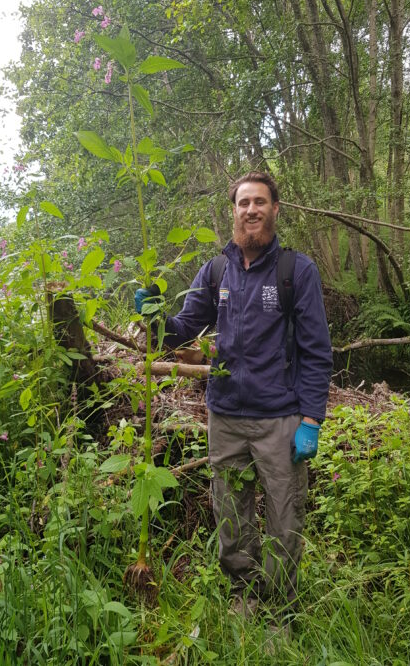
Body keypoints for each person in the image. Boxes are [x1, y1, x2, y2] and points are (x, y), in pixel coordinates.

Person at [135, 171, 332, 627]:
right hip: (224, 417)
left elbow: (317, 351)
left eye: (260, 202)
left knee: (284, 517)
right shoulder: (216, 271)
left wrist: (311, 420)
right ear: (234, 211)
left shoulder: (295, 271)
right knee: (232, 516)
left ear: (275, 210)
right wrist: (153, 316)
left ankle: (280, 612)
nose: (251, 210)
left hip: (279, 420)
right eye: (244, 203)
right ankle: (244, 596)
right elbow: (184, 329)